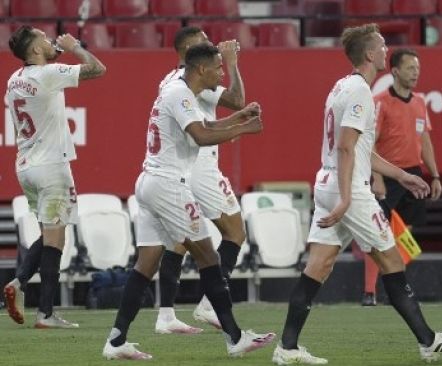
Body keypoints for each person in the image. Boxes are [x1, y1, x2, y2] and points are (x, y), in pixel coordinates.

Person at [271, 24, 442, 365]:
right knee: (391, 260)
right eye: (381, 46)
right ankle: (428, 341)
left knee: (318, 265)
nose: (385, 51)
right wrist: (349, 198)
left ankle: (286, 347)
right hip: (348, 188)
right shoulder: (362, 91)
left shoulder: (340, 87)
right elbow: (347, 148)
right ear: (368, 54)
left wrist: (402, 175)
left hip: (328, 181)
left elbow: (359, 150)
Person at [102, 44, 274, 360]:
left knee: (146, 264)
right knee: (208, 257)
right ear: (200, 69)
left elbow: (204, 126)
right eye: (218, 68)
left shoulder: (178, 92)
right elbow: (201, 137)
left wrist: (236, 117)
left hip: (150, 183)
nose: (221, 73)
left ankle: (115, 341)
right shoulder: (179, 94)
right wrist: (245, 129)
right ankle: (235, 338)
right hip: (169, 186)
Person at [3, 26, 106, 328]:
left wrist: (54, 53)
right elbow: (98, 69)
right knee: (56, 240)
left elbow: (43, 77)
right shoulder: (48, 74)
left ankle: (24, 289)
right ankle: (38, 305)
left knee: (48, 236)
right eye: (44, 40)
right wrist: (74, 47)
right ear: (34, 51)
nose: (50, 42)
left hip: (26, 166)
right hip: (51, 166)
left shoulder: (14, 80)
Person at [154, 26, 248, 334]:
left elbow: (207, 119)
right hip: (202, 166)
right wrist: (232, 63)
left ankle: (166, 314)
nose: (212, 46)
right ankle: (209, 304)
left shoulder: (168, 80)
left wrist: (229, 124)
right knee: (235, 231)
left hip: (179, 168)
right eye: (203, 44)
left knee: (179, 242)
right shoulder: (198, 79)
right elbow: (236, 98)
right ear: (189, 54)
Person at [362, 48, 442, 306]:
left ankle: (396, 289)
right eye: (410, 68)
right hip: (389, 173)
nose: (415, 73)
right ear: (395, 71)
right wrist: (378, 178)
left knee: (403, 233)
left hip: (414, 173)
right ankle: (369, 292)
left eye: (417, 68)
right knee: (377, 232)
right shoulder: (381, 101)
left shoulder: (420, 102)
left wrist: (435, 175)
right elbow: (370, 143)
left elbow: (425, 140)